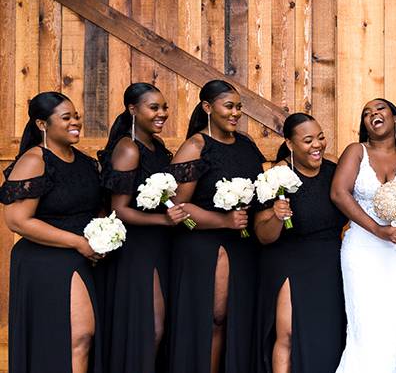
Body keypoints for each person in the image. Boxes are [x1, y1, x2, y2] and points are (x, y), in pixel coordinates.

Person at [1, 92, 104, 373]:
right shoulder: (35, 161)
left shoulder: (85, 163)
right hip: (46, 260)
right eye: (66, 117)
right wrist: (78, 242)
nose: (76, 122)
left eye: (76, 116)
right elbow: (18, 221)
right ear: (42, 124)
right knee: (78, 336)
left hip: (84, 257)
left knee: (82, 339)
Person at [167, 80, 266, 373]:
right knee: (215, 318)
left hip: (245, 245)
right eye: (229, 106)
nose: (235, 113)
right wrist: (224, 220)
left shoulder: (246, 144)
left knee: (239, 319)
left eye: (239, 107)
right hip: (205, 245)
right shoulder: (195, 147)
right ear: (208, 108)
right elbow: (177, 209)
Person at [331, 98, 396, 373]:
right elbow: (339, 193)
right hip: (362, 248)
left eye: (380, 109)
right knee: (365, 321)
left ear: (395, 118)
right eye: (366, 113)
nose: (373, 114)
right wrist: (377, 229)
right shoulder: (356, 152)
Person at [98, 83, 188, 373]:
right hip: (137, 250)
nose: (162, 113)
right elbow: (118, 210)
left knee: (160, 329)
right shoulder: (128, 148)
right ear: (133, 110)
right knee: (150, 329)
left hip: (162, 245)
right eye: (154, 107)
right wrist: (164, 219)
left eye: (164, 107)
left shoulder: (157, 147)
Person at [253, 113, 347, 373]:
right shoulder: (275, 176)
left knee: (327, 335)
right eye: (308, 140)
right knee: (288, 332)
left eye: (320, 137)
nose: (317, 145)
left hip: (329, 261)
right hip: (288, 260)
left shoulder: (334, 171)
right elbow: (263, 235)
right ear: (290, 144)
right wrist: (277, 216)